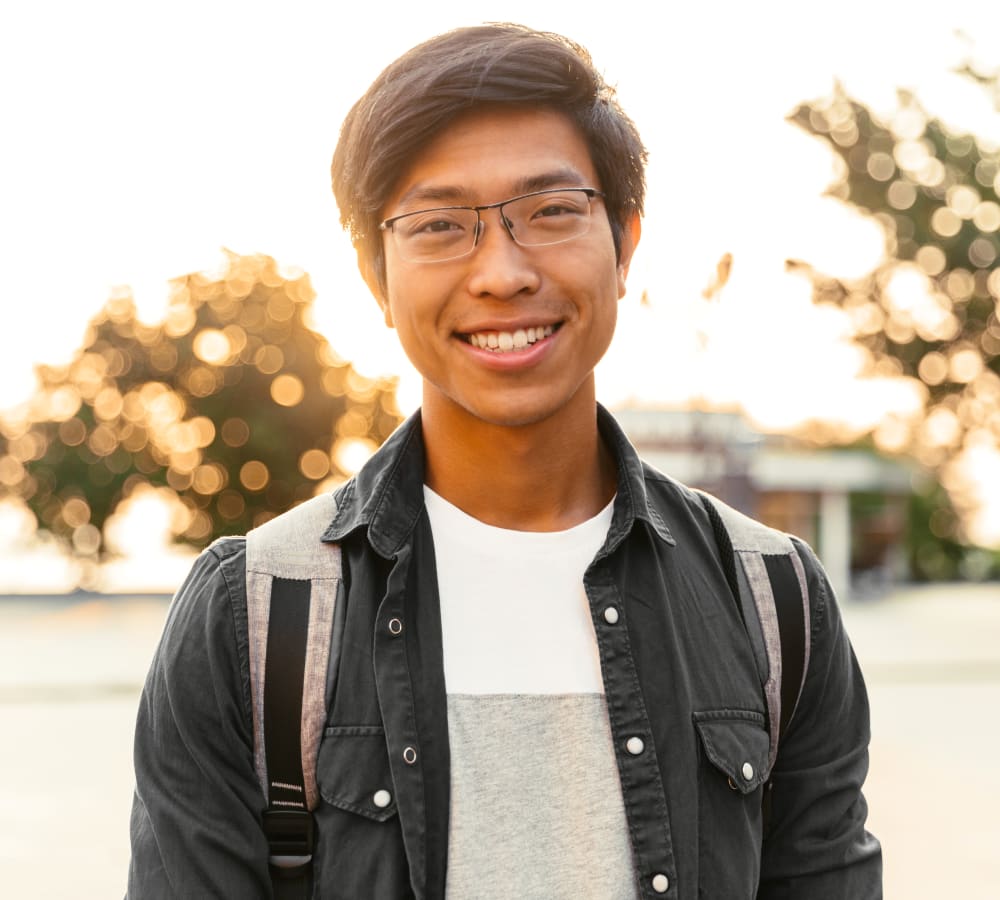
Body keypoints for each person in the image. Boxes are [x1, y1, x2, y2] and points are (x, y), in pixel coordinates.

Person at [128, 23, 882, 899]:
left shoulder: (773, 598)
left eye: (552, 210)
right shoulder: (253, 616)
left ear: (626, 239)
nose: (502, 272)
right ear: (376, 276)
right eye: (440, 225)